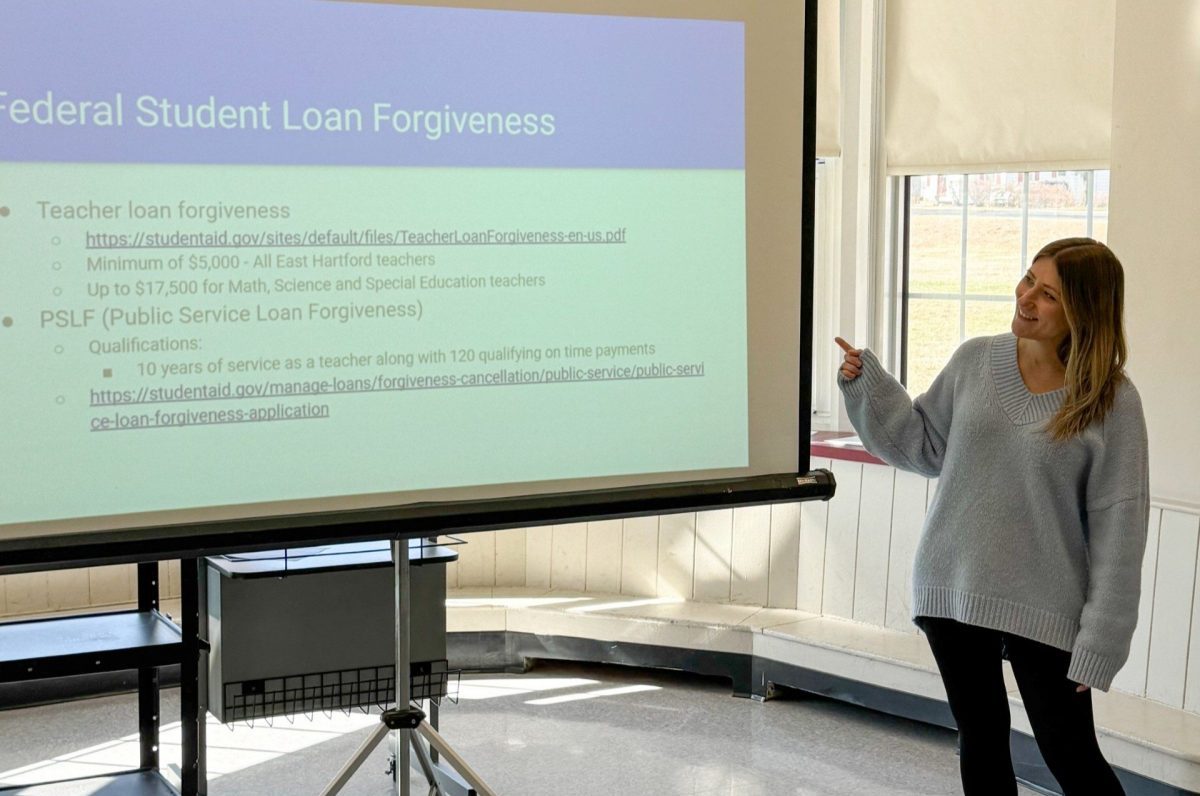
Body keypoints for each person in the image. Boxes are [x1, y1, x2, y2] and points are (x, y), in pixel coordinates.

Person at [835, 237, 1148, 795]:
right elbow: (925, 447)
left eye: (1048, 294)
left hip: (1048, 606)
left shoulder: (1111, 400)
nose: (1026, 297)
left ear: (1084, 311)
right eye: (1029, 279)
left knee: (1071, 755)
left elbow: (1119, 530)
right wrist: (868, 388)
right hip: (953, 585)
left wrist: (1101, 642)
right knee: (981, 741)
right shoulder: (975, 359)